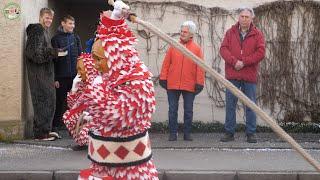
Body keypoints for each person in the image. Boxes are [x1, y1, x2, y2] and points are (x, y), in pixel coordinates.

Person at [77, 1, 159, 179]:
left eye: (99, 59)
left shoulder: (138, 80)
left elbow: (118, 115)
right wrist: (114, 18)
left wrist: (95, 91)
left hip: (129, 168)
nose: (95, 65)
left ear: (116, 56)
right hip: (102, 162)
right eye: (94, 58)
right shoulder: (109, 76)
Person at [219, 7, 265, 143]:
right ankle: (229, 133)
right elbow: (223, 49)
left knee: (250, 105)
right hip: (232, 75)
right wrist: (234, 62)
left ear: (252, 19)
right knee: (230, 105)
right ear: (238, 18)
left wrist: (244, 62)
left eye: (247, 17)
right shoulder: (230, 32)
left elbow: (261, 52)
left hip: (249, 76)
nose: (244, 19)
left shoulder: (258, 34)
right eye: (242, 16)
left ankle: (251, 133)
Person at [25, 8, 67, 140]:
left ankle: (45, 130)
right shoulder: (36, 30)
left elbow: (43, 51)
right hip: (39, 76)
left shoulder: (44, 31)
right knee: (43, 102)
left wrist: (55, 52)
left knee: (49, 102)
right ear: (40, 17)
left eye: (51, 18)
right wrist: (53, 53)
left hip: (45, 76)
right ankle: (40, 134)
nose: (49, 20)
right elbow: (34, 54)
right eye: (46, 17)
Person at [159, 21, 205, 141]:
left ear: (191, 34)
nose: (182, 33)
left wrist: (199, 82)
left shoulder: (197, 49)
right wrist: (163, 78)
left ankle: (187, 134)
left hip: (190, 84)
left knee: (188, 110)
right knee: (172, 110)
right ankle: (173, 134)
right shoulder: (174, 45)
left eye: (185, 32)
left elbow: (200, 67)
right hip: (172, 83)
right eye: (182, 31)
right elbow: (166, 63)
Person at [51, 15, 82, 134]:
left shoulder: (76, 38)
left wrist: (80, 76)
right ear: (63, 23)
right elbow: (53, 61)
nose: (72, 26)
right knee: (59, 102)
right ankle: (55, 127)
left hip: (74, 77)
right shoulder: (55, 39)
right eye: (70, 23)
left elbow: (80, 58)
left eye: (73, 24)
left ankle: (73, 128)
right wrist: (55, 78)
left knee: (74, 103)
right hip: (60, 77)